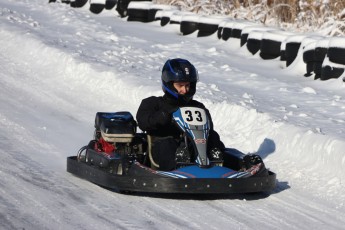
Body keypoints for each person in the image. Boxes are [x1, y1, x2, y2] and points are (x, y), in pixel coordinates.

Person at [136, 58, 225, 171]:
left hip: (195, 150)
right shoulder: (153, 103)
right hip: (163, 151)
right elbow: (143, 122)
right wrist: (163, 116)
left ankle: (221, 167)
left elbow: (208, 129)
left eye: (187, 85)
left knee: (213, 136)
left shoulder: (198, 107)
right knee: (168, 144)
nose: (185, 90)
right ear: (169, 84)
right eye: (180, 85)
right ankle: (176, 173)